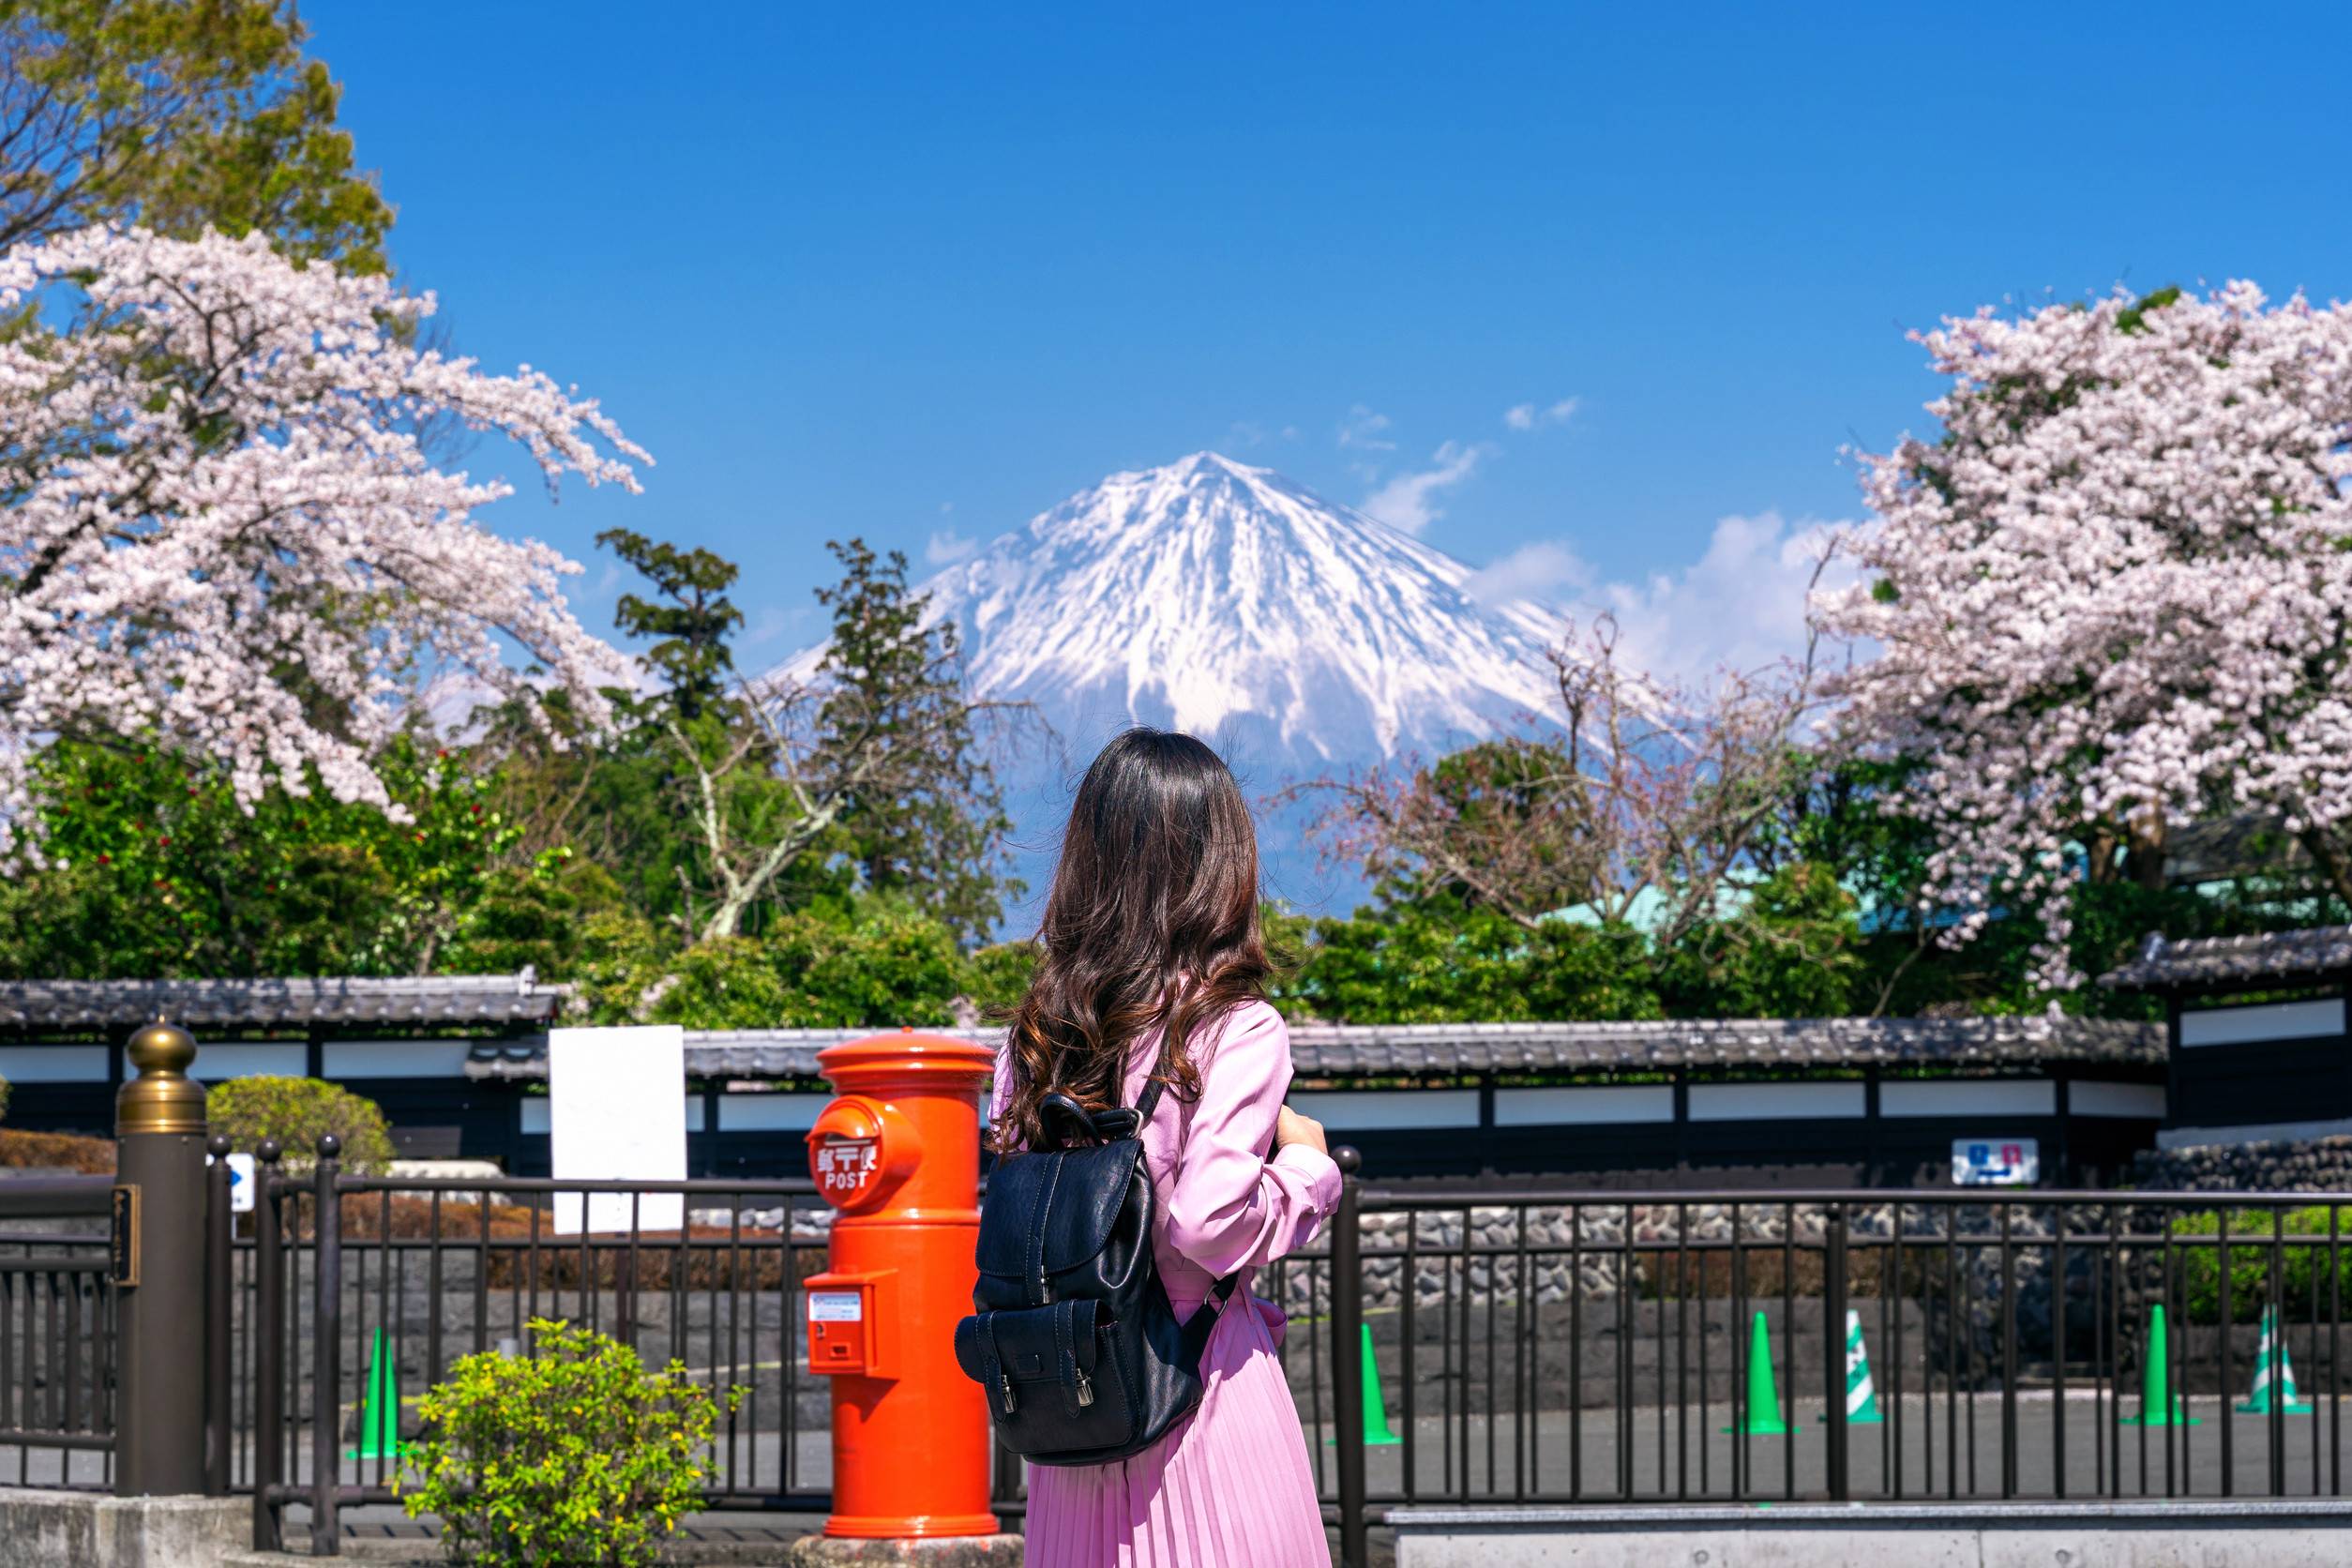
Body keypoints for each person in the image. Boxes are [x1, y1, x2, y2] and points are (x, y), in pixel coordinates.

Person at [989, 728, 1341, 1566]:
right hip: (1199, 1394)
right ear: (1222, 864)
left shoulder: (1033, 1041)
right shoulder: (1234, 1027)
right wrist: (1307, 1171)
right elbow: (1207, 1224)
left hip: (1075, 1414)